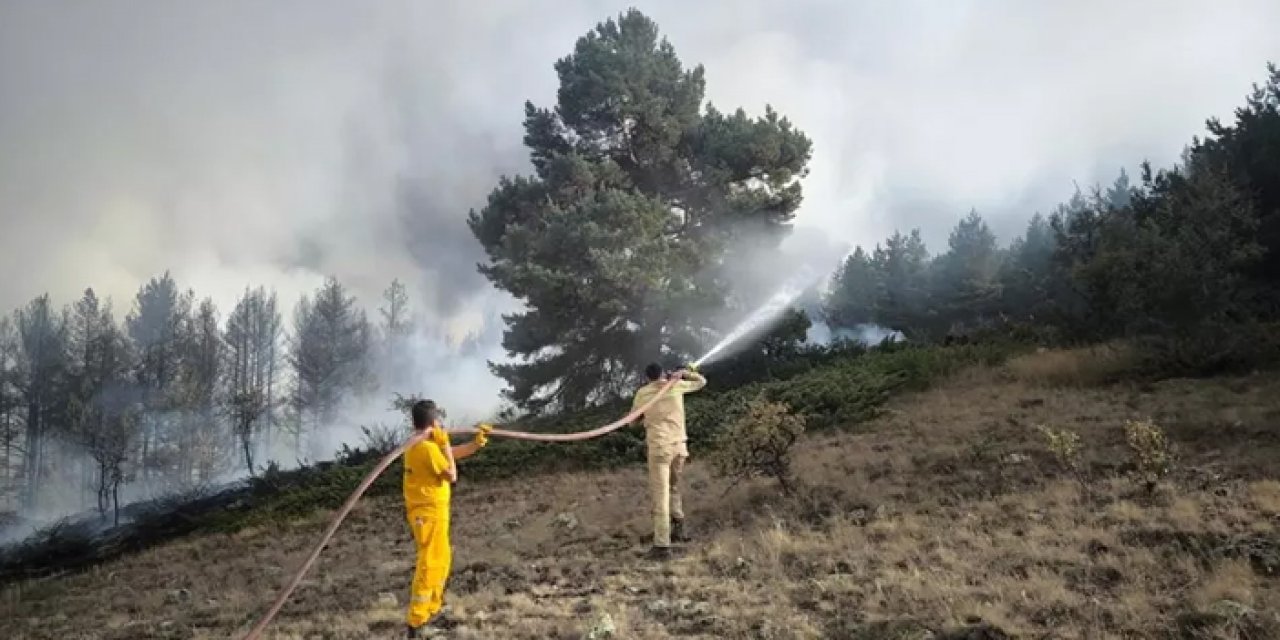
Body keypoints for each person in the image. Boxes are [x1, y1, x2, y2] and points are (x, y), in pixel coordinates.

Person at [402, 399, 493, 638]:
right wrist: (444, 444)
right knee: (430, 563)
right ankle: (417, 621)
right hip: (427, 513)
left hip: (434, 512)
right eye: (439, 421)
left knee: (441, 560)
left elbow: (447, 455)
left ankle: (431, 610)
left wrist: (474, 445)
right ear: (433, 422)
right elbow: (451, 474)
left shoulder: (424, 445)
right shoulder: (425, 448)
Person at [630, 362, 707, 560]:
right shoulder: (675, 385)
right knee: (673, 488)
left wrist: (644, 417)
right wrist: (685, 374)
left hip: (660, 449)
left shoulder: (643, 393)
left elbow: (631, 422)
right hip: (680, 447)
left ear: (647, 377)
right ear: (663, 373)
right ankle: (679, 528)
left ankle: (662, 545)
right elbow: (701, 382)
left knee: (661, 495)